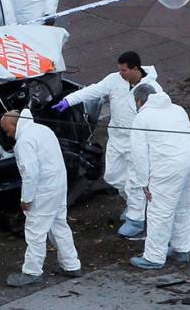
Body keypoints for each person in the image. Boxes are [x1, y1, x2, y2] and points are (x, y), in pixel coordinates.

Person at [51, 51, 161, 238]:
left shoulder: (152, 89)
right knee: (113, 176)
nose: (120, 73)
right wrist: (68, 101)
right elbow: (94, 90)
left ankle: (136, 218)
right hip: (117, 139)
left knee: (135, 181)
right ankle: (138, 207)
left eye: (124, 70)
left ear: (136, 69)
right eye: (119, 70)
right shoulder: (114, 80)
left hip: (138, 142)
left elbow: (160, 117)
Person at [0, 109, 81, 287]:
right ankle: (71, 264)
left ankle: (32, 272)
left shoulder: (24, 141)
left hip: (43, 190)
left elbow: (30, 173)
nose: (8, 134)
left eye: (7, 130)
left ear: (14, 125)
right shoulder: (43, 129)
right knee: (59, 225)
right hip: (59, 185)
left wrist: (26, 199)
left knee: (35, 231)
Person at [129, 84, 190, 270]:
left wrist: (143, 182)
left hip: (168, 167)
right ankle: (182, 249)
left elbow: (139, 154)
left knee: (160, 211)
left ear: (139, 100)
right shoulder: (178, 109)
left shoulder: (142, 117)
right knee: (184, 207)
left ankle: (154, 257)